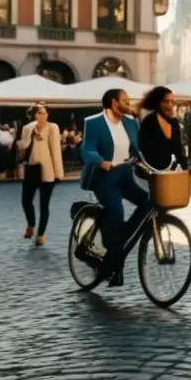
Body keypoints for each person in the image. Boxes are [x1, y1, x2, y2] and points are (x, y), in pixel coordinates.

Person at [80, 89, 149, 287]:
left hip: (125, 175)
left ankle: (120, 238)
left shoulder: (130, 122)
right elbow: (87, 148)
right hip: (104, 177)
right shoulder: (93, 123)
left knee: (148, 201)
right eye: (125, 101)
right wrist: (100, 161)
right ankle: (112, 258)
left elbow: (137, 150)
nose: (129, 104)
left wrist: (152, 166)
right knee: (116, 210)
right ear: (113, 104)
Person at [18, 102, 64, 246]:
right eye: (39, 113)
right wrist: (29, 133)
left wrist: (58, 173)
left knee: (44, 205)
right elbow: (22, 147)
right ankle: (31, 224)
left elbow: (56, 151)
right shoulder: (28, 128)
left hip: (47, 171)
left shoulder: (53, 128)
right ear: (34, 114)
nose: (42, 116)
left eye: (44, 113)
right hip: (31, 169)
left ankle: (41, 234)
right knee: (25, 201)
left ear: (47, 115)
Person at [137, 85, 187, 172]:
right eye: (166, 102)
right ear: (157, 103)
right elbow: (145, 150)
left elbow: (178, 150)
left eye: (172, 102)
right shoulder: (148, 122)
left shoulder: (174, 122)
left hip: (175, 173)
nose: (170, 105)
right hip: (155, 173)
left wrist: (185, 168)